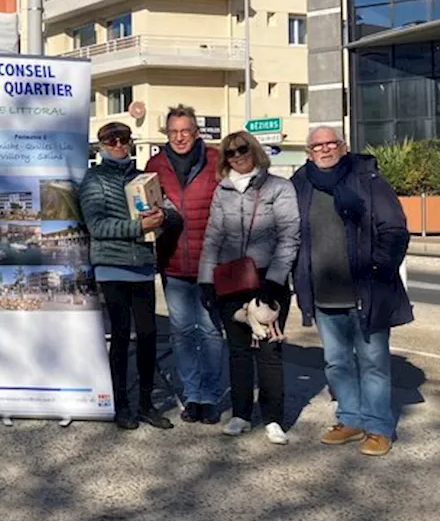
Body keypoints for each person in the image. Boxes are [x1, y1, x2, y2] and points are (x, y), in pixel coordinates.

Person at [292, 126, 412, 456]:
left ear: (343, 147)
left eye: (332, 143)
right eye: (318, 145)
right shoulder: (300, 184)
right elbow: (291, 235)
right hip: (323, 294)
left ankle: (377, 427)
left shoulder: (367, 179)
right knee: (336, 362)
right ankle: (350, 418)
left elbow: (395, 229)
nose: (325, 149)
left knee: (373, 362)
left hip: (366, 290)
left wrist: (377, 269)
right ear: (309, 152)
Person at [199, 131, 300, 444]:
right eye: (230, 152)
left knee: (269, 350)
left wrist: (276, 278)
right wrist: (206, 279)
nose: (237, 155)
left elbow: (289, 235)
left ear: (254, 150)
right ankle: (241, 414)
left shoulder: (279, 187)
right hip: (232, 279)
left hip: (267, 279)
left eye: (243, 149)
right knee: (238, 350)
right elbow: (213, 237)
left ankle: (273, 418)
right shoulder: (222, 191)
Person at [79, 122, 172, 431]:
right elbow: (97, 226)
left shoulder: (142, 176)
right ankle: (121, 405)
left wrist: (163, 216)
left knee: (148, 337)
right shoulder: (94, 179)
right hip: (112, 266)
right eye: (111, 140)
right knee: (120, 337)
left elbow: (165, 209)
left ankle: (146, 403)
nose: (118, 144)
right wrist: (137, 228)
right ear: (102, 145)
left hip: (143, 265)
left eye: (123, 139)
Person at [145, 105, 224, 425]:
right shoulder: (154, 165)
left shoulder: (217, 160)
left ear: (196, 133)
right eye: (173, 132)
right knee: (181, 332)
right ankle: (192, 395)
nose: (179, 138)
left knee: (208, 331)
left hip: (210, 263)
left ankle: (211, 396)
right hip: (173, 261)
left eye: (185, 131)